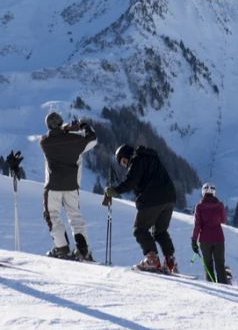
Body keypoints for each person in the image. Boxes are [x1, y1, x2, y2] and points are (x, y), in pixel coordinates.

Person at [105, 144, 178, 272]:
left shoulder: (137, 159)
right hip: (169, 198)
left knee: (139, 229)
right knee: (160, 231)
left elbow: (131, 181)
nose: (124, 165)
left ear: (126, 154)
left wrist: (115, 190)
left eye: (123, 161)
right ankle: (169, 260)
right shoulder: (151, 157)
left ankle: (152, 259)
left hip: (152, 198)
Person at [39, 112, 97, 261]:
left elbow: (54, 136)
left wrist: (64, 129)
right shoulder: (76, 140)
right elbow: (93, 140)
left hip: (53, 186)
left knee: (52, 215)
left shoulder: (44, 142)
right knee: (75, 217)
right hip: (72, 185)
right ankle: (83, 251)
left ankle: (62, 249)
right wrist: (83, 126)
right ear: (61, 123)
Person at [192, 182, 227, 283]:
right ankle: (224, 287)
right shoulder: (220, 205)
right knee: (220, 265)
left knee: (208, 265)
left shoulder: (199, 206)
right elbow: (223, 220)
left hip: (205, 240)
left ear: (203, 192)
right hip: (219, 238)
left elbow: (197, 225)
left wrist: (194, 240)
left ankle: (212, 287)